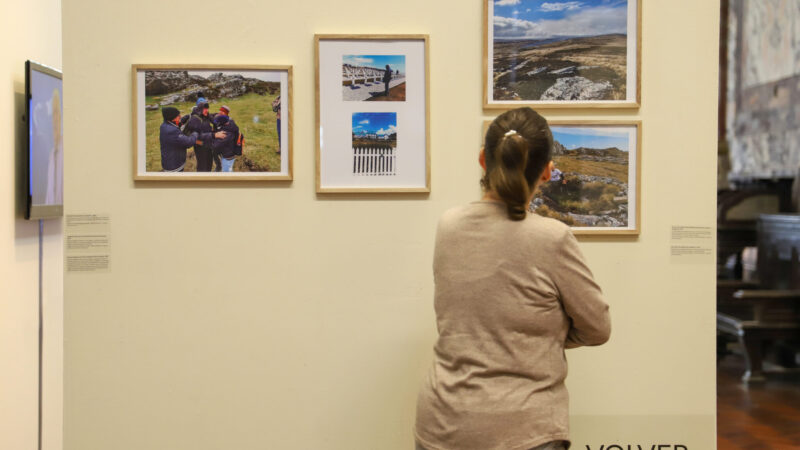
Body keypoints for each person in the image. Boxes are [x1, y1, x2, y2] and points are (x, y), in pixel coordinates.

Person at [414, 107, 611, 450]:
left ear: (482, 160)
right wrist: (540, 338)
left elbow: (470, 313)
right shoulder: (553, 238)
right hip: (524, 430)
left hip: (441, 425)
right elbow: (598, 328)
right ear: (548, 172)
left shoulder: (449, 225)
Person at [159, 107, 198, 172]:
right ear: (172, 118)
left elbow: (176, 124)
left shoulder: (164, 125)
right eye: (178, 116)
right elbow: (189, 142)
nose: (180, 117)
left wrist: (186, 117)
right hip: (174, 166)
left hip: (168, 162)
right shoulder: (172, 131)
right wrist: (195, 132)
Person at [183, 97, 216, 171]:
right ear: (200, 109)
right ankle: (201, 181)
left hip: (208, 145)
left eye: (207, 109)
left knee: (209, 164)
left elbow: (214, 120)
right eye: (205, 109)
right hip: (200, 146)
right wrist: (213, 135)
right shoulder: (195, 119)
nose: (206, 111)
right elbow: (196, 135)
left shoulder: (206, 116)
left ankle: (207, 180)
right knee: (202, 167)